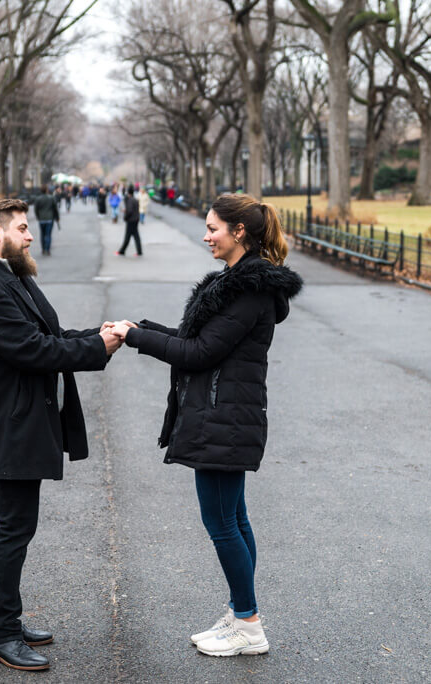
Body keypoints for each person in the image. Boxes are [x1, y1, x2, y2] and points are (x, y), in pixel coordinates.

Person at [110, 193, 302, 657]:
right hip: (225, 415)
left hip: (224, 419)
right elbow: (202, 340)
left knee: (222, 522)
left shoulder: (249, 290)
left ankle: (248, 626)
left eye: (214, 228)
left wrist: (136, 338)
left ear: (240, 232)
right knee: (234, 518)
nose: (206, 235)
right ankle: (242, 612)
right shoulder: (238, 282)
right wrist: (142, 327)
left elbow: (200, 354)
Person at [0, 199, 124, 672]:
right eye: (23, 229)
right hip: (6, 424)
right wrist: (96, 348)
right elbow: (30, 350)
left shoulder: (10, 276)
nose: (32, 236)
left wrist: (99, 334)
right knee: (13, 527)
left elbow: (50, 333)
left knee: (3, 522)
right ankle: (2, 634)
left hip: (16, 420)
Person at [32, 185, 59, 256]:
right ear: (47, 190)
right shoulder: (51, 198)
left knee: (42, 234)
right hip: (49, 219)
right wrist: (57, 217)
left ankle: (43, 249)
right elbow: (55, 208)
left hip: (41, 219)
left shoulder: (38, 199)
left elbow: (36, 209)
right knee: (48, 234)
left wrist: (38, 217)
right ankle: (47, 249)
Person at [117, 186, 142, 256]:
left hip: (131, 220)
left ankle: (122, 251)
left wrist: (125, 217)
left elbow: (130, 211)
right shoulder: (135, 199)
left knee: (128, 236)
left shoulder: (130, 200)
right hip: (136, 219)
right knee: (136, 236)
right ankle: (139, 251)